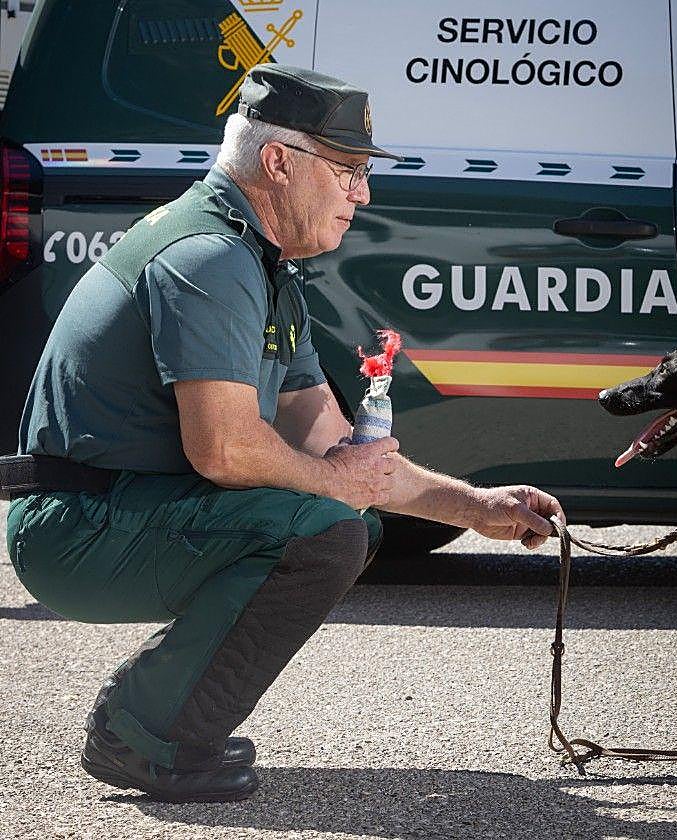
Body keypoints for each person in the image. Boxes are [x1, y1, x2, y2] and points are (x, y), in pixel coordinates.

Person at [3, 65, 564, 803]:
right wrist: (340, 485)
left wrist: (476, 507)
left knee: (340, 522)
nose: (363, 193)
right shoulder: (206, 257)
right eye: (349, 170)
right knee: (324, 531)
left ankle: (160, 712)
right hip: (75, 530)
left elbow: (339, 449)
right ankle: (145, 730)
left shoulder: (263, 271)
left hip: (120, 512)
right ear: (277, 162)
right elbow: (225, 449)